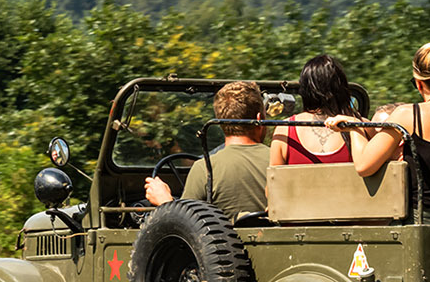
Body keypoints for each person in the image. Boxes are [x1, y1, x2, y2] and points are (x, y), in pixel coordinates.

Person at [326, 35, 430, 224]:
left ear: (419, 83)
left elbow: (364, 166)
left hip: (421, 226)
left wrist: (354, 127)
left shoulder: (408, 115)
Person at [144, 81, 268, 220]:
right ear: (260, 119)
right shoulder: (281, 161)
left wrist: (165, 202)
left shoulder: (205, 169)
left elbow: (185, 224)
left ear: (219, 121)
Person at [270, 54, 363, 166]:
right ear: (342, 87)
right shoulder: (363, 126)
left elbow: (274, 176)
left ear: (305, 89)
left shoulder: (284, 130)